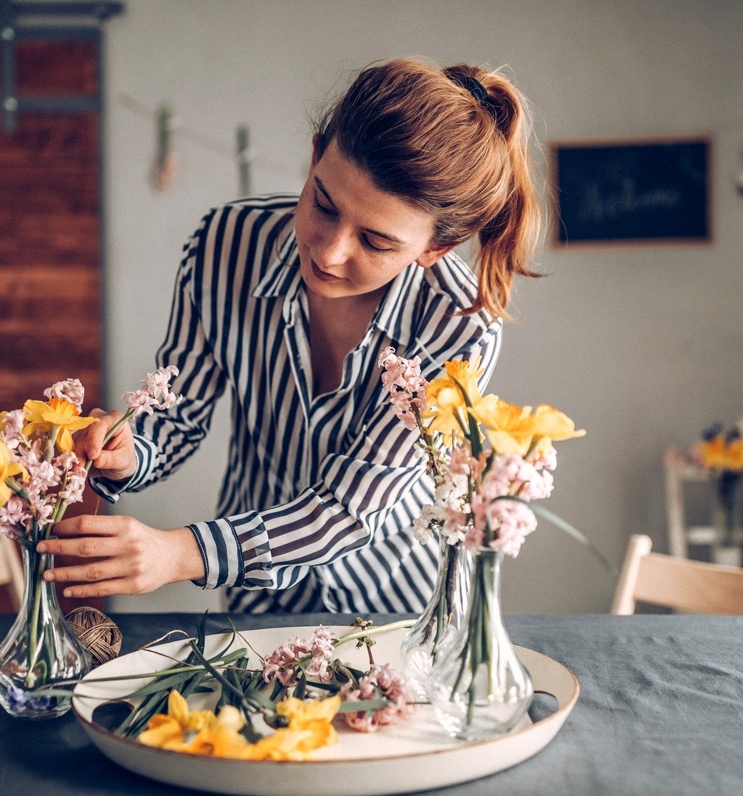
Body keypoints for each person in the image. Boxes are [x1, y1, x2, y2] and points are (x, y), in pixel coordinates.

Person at [38, 57, 542, 614]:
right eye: (323, 204)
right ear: (314, 155)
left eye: (375, 243)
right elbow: (175, 417)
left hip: (397, 601)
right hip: (255, 597)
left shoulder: (460, 324)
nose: (328, 251)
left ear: (434, 249)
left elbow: (350, 509)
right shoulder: (226, 245)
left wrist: (180, 554)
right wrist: (130, 450)